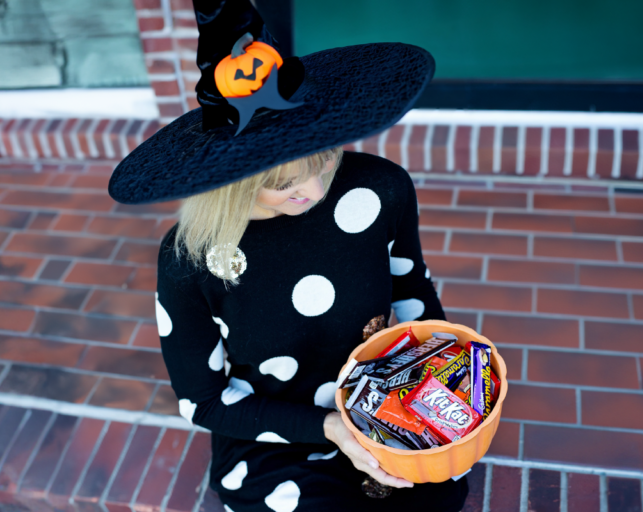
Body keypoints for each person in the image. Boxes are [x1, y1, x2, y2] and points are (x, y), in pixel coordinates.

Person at [107, 1, 467, 510]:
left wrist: (444, 373)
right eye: (281, 183)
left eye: (323, 159)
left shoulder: (380, 189)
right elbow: (204, 400)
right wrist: (332, 429)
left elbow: (411, 292)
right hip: (270, 430)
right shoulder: (189, 259)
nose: (314, 189)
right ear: (232, 182)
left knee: (437, 495)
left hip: (386, 396)